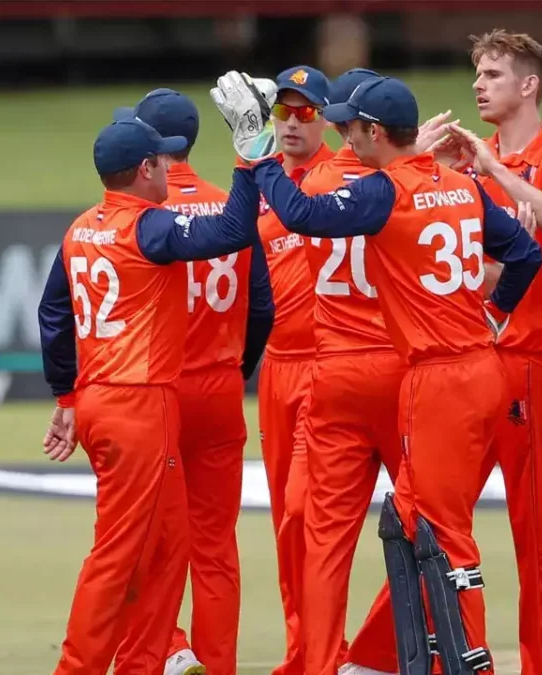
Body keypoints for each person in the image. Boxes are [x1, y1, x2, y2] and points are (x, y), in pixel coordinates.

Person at [220, 73, 542, 675]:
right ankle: (408, 656)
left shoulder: (346, 184)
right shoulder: (458, 186)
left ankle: (336, 662)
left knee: (333, 537)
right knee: (432, 523)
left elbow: (298, 211)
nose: (340, 131)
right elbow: (525, 252)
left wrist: (256, 149)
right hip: (442, 366)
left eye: (347, 124)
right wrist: (496, 313)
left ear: (370, 133)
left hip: (379, 371)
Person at [36, 116, 261, 675]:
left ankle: (142, 663)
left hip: (101, 399)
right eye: (162, 161)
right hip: (139, 404)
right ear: (145, 170)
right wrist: (248, 157)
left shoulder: (82, 227)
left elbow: (52, 314)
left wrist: (65, 398)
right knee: (120, 556)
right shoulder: (148, 228)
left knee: (167, 548)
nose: (169, 167)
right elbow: (233, 230)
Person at [438, 29, 542, 675]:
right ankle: (391, 654)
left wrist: (496, 171)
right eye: (478, 71)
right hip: (468, 360)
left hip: (532, 360)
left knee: (536, 532)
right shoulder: (464, 162)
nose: (479, 83)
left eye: (494, 73)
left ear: (529, 86)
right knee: (432, 519)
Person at [112, 88, 275, 675]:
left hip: (154, 392)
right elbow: (261, 305)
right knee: (215, 547)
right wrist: (238, 365)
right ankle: (215, 663)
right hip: (220, 386)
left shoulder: (139, 213)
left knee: (144, 542)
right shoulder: (227, 206)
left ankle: (169, 651)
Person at [293, 67, 406, 675]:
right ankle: (423, 656)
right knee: (428, 524)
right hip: (399, 367)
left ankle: (319, 663)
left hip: (332, 369)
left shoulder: (315, 181)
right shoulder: (403, 184)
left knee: (325, 541)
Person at [255, 64, 336, 675]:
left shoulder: (341, 177)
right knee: (286, 520)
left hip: (332, 364)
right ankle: (302, 651)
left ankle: (329, 652)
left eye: (305, 112)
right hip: (277, 369)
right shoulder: (259, 182)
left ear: (326, 117)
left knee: (308, 510)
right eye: (282, 112)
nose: (291, 123)